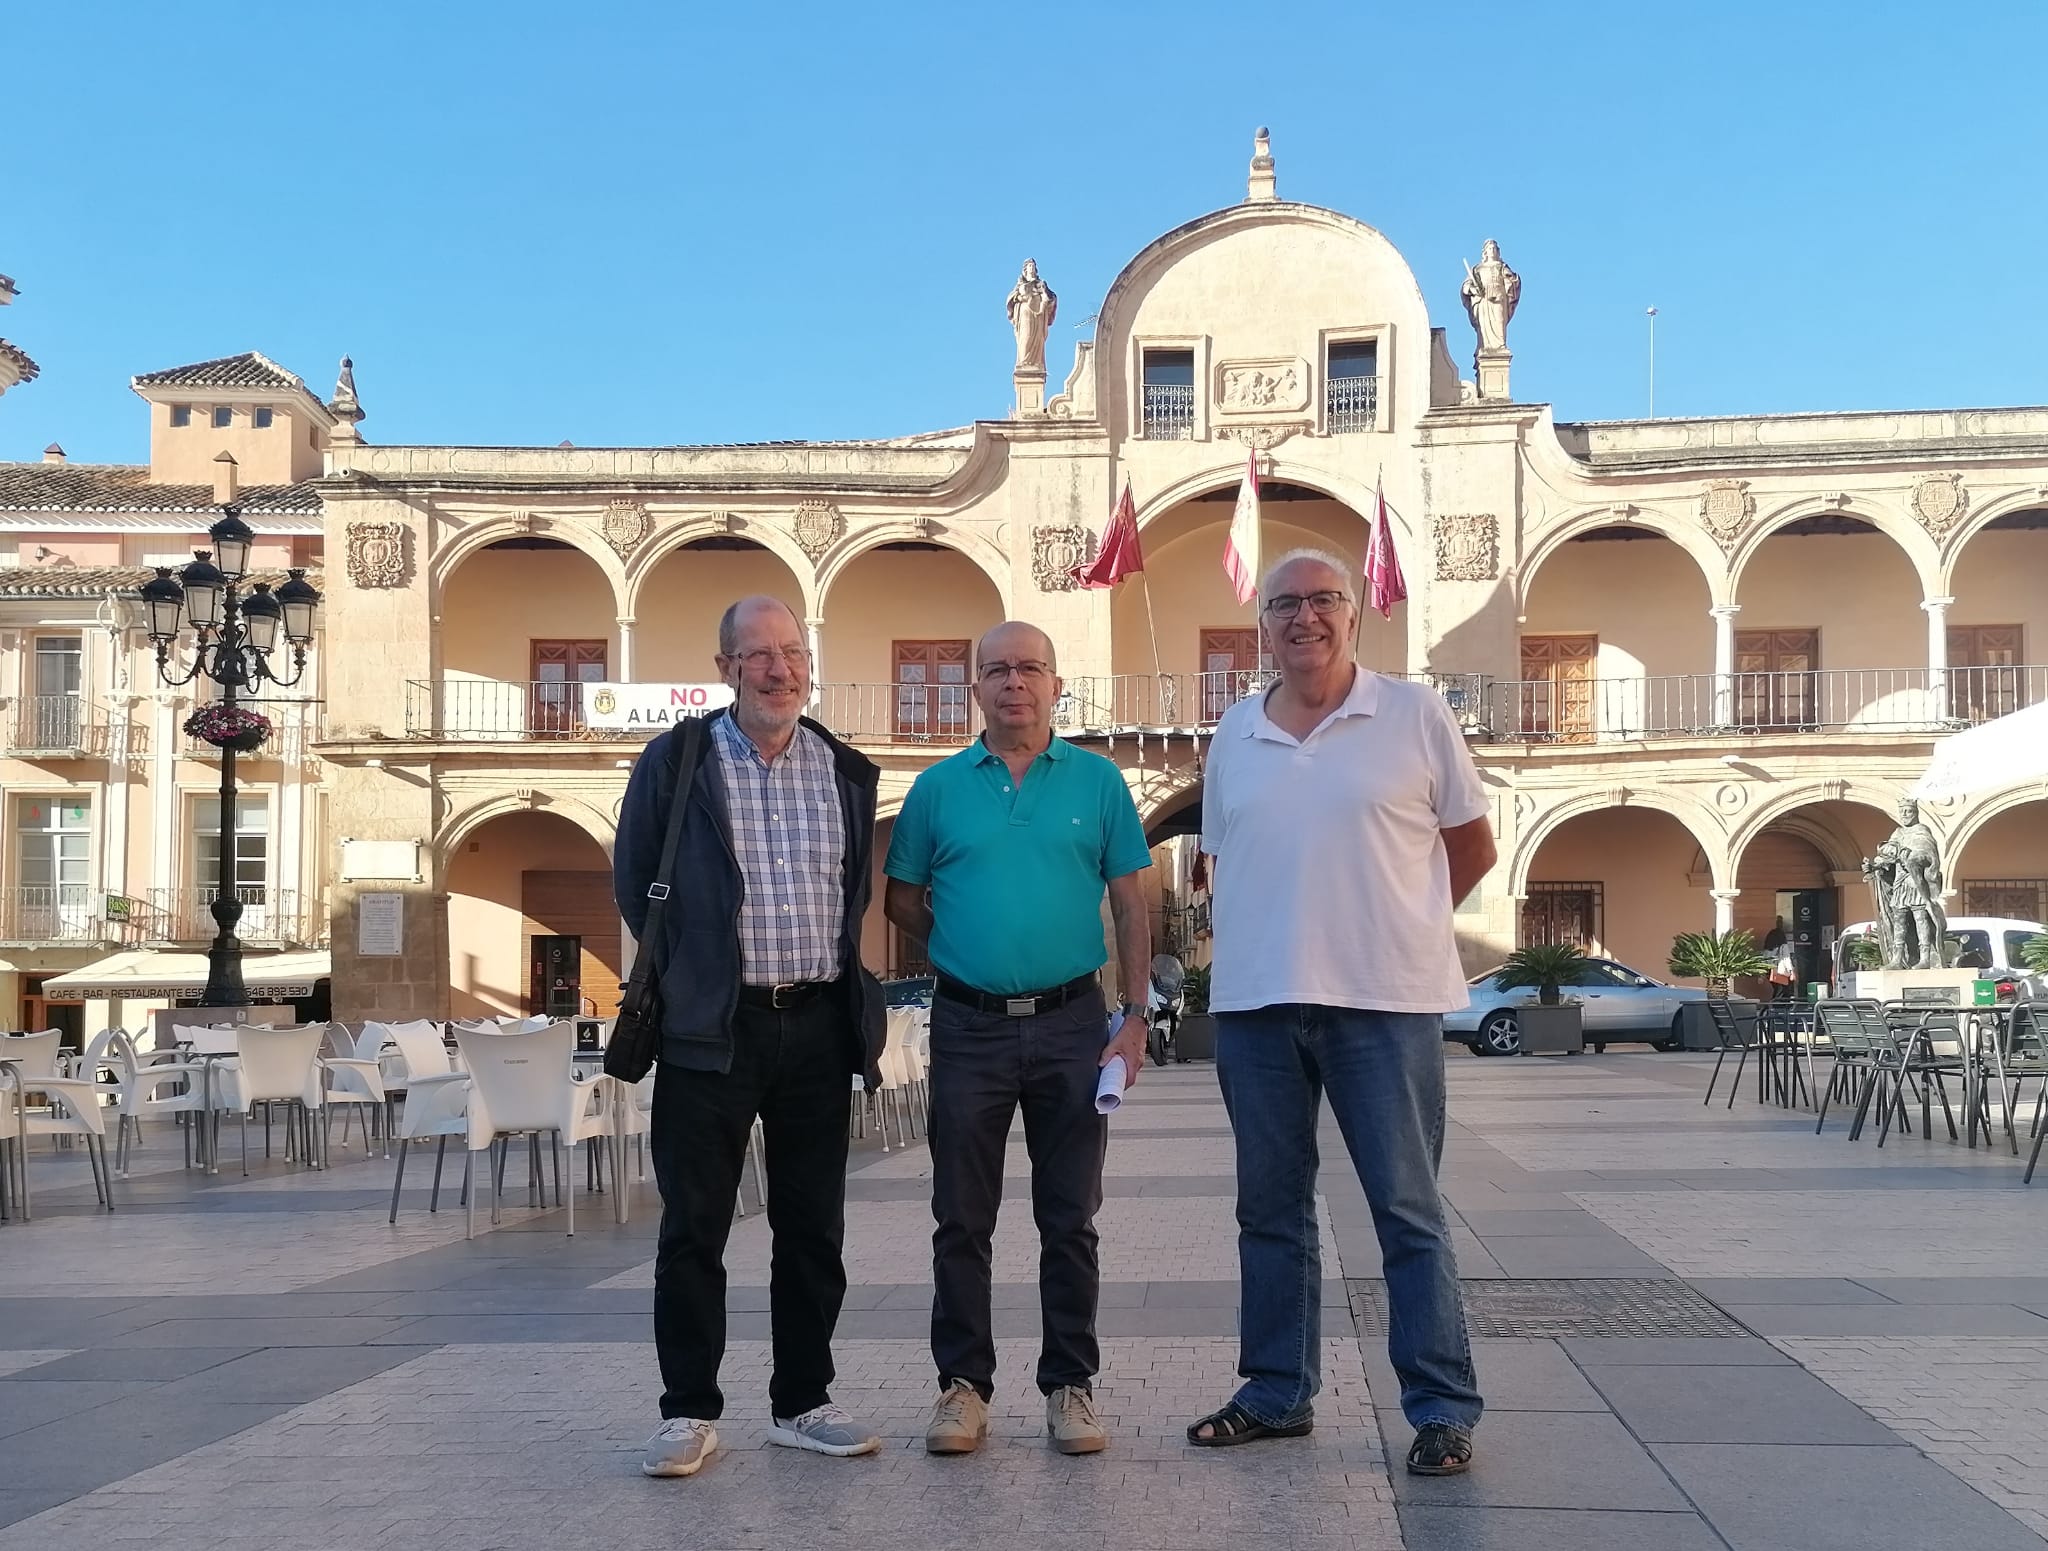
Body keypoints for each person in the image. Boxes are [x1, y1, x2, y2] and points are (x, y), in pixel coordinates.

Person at [1186, 548, 1493, 1478]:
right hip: (1255, 1005)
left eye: (1324, 600)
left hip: (1383, 1004)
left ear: (1355, 615)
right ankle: (1277, 1391)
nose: (1305, 617)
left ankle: (1441, 1406)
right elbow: (1222, 859)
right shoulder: (1235, 730)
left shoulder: (1414, 713)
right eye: (1285, 604)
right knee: (1269, 1210)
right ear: (1263, 627)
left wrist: (1394, 922)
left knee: (1408, 1209)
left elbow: (1470, 848)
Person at [615, 595, 886, 1479]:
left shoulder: (845, 769)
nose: (780, 669)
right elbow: (635, 881)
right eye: (760, 654)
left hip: (815, 1025)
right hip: (710, 1032)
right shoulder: (679, 760)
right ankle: (688, 1408)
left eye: (793, 653)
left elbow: (852, 896)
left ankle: (803, 1401)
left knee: (814, 1228)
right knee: (695, 1228)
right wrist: (696, 975)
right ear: (726, 666)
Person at [883, 620, 1152, 1458]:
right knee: (960, 1217)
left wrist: (1135, 1017)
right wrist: (965, 948)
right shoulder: (936, 789)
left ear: (1055, 682)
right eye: (996, 669)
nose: (1014, 683)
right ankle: (962, 1386)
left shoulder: (1100, 783)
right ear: (976, 687)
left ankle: (1070, 1384)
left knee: (1070, 1218)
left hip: (1075, 1024)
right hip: (968, 1027)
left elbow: (1133, 905)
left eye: (1030, 667)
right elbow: (901, 900)